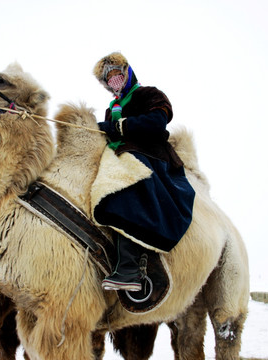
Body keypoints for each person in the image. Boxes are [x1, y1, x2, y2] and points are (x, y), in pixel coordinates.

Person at [92, 52, 195, 291]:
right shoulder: (112, 108)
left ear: (127, 72)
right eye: (108, 78)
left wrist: (117, 127)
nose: (113, 80)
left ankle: (129, 270)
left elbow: (156, 123)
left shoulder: (149, 94)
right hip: (120, 155)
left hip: (151, 155)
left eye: (117, 73)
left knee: (126, 185)